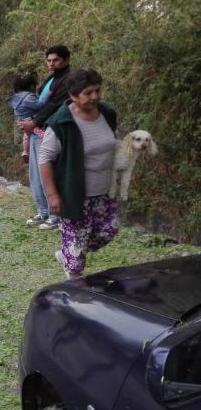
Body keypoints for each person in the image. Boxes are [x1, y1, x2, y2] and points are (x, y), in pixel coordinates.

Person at [39, 68, 118, 279]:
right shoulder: (61, 122)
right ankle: (73, 277)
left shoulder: (107, 113)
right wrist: (53, 195)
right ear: (73, 96)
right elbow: (45, 158)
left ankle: (68, 251)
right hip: (74, 195)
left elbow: (111, 143)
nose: (95, 96)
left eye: (97, 90)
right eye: (88, 93)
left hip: (104, 191)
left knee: (108, 230)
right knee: (76, 257)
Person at [19, 45, 72, 231]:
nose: (51, 63)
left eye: (55, 60)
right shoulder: (53, 78)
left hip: (50, 131)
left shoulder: (67, 80)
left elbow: (57, 105)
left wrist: (34, 122)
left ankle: (55, 216)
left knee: (47, 173)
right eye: (48, 60)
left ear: (66, 60)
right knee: (35, 174)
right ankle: (43, 212)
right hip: (36, 132)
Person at [7, 74, 48, 163]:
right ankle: (45, 148)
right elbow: (39, 105)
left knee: (26, 136)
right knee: (44, 135)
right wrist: (47, 96)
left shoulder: (16, 98)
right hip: (31, 121)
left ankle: (25, 151)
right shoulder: (28, 97)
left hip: (22, 121)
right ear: (31, 86)